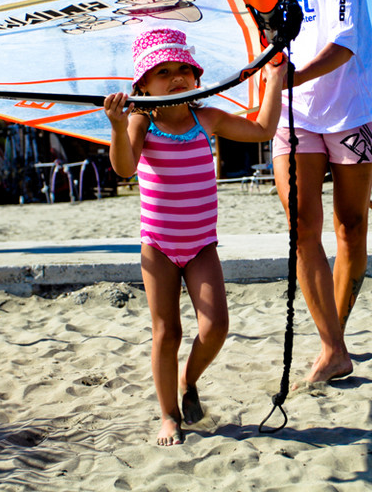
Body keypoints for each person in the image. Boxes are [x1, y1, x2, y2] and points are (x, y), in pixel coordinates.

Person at [103, 28, 285, 446]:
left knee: (216, 326)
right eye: (162, 71)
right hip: (160, 248)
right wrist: (116, 127)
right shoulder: (140, 121)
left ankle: (189, 377)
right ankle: (168, 415)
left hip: (202, 244)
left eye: (183, 68)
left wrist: (274, 80)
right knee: (167, 333)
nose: (176, 77)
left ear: (198, 76)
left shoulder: (207, 119)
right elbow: (125, 168)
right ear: (142, 85)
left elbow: (261, 129)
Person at [247, 0, 372, 383]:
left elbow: (346, 39)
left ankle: (337, 335)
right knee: (300, 227)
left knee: (349, 225)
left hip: (355, 105)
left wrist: (294, 76)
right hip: (296, 113)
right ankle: (333, 347)